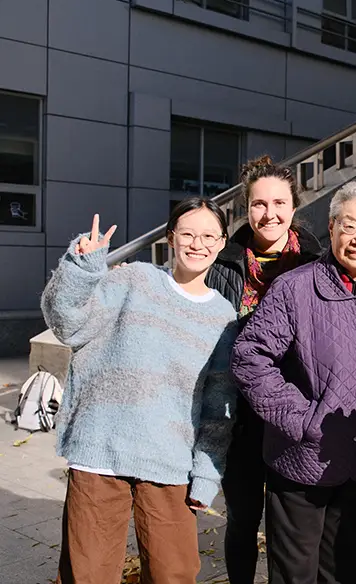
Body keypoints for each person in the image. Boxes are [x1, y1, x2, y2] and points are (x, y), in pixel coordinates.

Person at [42, 200, 238, 584]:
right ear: (171, 239)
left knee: (174, 574)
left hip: (169, 463)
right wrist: (83, 267)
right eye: (187, 234)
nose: (197, 243)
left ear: (221, 243)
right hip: (101, 452)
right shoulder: (133, 280)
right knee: (88, 575)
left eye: (208, 236)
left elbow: (219, 410)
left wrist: (206, 476)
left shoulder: (223, 318)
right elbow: (68, 324)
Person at [230, 180, 356, 584]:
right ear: (330, 229)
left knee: (343, 573)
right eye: (349, 227)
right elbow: (249, 358)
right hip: (300, 465)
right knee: (295, 576)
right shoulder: (294, 288)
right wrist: (302, 421)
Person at [205, 156, 321, 584]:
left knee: (288, 527)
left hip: (295, 412)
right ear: (244, 207)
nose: (268, 214)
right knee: (241, 518)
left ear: (294, 207)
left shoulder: (317, 262)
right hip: (240, 417)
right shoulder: (223, 264)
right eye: (258, 204)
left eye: (278, 203)